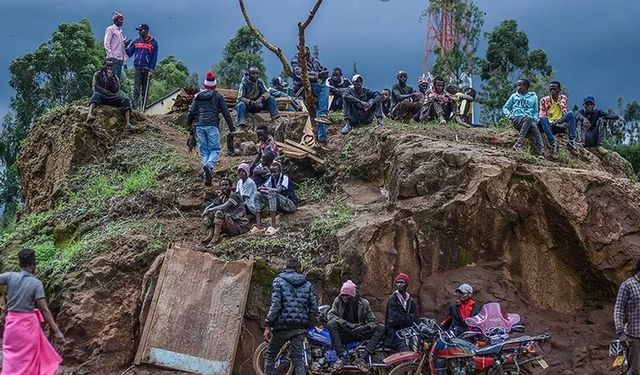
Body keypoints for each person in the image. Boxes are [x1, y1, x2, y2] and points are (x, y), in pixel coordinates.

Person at [0, 248, 64, 374]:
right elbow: (44, 310)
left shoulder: (9, 277)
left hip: (12, 328)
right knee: (30, 364)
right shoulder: (36, 284)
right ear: (34, 264)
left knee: (11, 362)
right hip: (28, 329)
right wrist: (57, 332)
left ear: (20, 264)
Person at [263, 257, 318, 375]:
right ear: (299, 268)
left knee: (270, 355)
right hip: (299, 328)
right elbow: (314, 308)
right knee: (298, 359)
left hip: (282, 327)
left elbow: (276, 305)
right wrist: (309, 324)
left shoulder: (278, 281)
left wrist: (268, 324)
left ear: (286, 267)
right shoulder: (307, 284)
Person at [186, 71, 235, 186]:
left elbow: (191, 112)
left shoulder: (197, 97)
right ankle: (208, 166)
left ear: (204, 85)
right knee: (215, 149)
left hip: (199, 126)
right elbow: (226, 113)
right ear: (215, 85)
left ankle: (206, 173)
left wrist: (189, 126)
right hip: (212, 125)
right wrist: (231, 127)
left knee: (204, 151)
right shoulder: (218, 97)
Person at [326, 280, 386, 369]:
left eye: (347, 296)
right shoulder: (338, 301)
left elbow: (373, 321)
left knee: (381, 328)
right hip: (345, 331)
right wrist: (348, 324)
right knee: (331, 324)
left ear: (353, 296)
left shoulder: (364, 303)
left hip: (360, 331)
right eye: (343, 295)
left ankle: (363, 357)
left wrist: (365, 327)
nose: (344, 298)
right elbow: (331, 315)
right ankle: (342, 356)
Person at [291, 46, 331, 143]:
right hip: (301, 87)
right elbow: (301, 74)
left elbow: (321, 72)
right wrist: (318, 75)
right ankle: (322, 113)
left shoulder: (315, 61)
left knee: (320, 110)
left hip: (314, 87)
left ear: (308, 54)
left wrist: (324, 74)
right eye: (300, 55)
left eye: (304, 55)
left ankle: (322, 138)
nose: (301, 57)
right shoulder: (295, 61)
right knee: (324, 90)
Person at [502, 78, 545, 158]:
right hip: (517, 119)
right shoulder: (514, 96)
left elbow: (535, 111)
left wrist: (535, 118)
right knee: (528, 119)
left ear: (525, 87)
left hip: (529, 121)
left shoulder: (533, 97)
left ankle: (541, 151)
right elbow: (505, 108)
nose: (517, 87)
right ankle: (519, 144)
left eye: (519, 85)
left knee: (533, 125)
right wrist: (510, 116)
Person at [86, 58, 134, 129]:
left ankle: (128, 123)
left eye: (111, 66)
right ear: (104, 65)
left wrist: (112, 79)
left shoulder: (115, 77)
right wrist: (105, 92)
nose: (109, 67)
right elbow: (95, 87)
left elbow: (116, 90)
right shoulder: (97, 74)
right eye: (107, 65)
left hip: (112, 97)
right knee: (96, 94)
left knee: (125, 99)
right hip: (102, 96)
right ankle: (89, 115)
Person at [201, 178, 250, 246]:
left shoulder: (235, 196)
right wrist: (206, 211)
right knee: (212, 213)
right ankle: (211, 234)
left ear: (230, 186)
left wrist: (209, 210)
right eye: (222, 185)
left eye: (226, 185)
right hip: (230, 223)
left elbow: (225, 206)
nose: (224, 187)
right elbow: (212, 205)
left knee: (218, 213)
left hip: (239, 225)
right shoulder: (223, 196)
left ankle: (215, 238)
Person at [253, 161, 298, 235]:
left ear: (280, 171)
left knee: (272, 194)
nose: (273, 174)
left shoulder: (284, 177)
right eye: (271, 172)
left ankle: (273, 225)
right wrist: (266, 190)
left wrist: (266, 190)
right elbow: (260, 188)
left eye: (275, 172)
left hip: (290, 204)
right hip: (280, 205)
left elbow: (278, 190)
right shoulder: (271, 178)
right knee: (257, 195)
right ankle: (259, 225)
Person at [614, 258, 640, 375]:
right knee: (635, 371)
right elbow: (618, 310)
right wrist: (621, 333)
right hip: (634, 337)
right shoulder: (628, 285)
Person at [538, 81, 578, 154]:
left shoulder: (563, 98)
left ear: (559, 90)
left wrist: (563, 123)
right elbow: (542, 114)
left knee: (571, 114)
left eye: (554, 89)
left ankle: (571, 140)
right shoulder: (544, 100)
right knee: (542, 119)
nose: (552, 91)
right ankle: (553, 143)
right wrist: (552, 123)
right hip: (548, 124)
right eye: (551, 89)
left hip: (558, 122)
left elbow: (564, 111)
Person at [125, 24, 158, 110]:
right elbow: (129, 53)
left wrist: (152, 69)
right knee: (136, 89)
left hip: (147, 69)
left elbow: (154, 58)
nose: (139, 32)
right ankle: (135, 108)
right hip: (137, 68)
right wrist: (124, 46)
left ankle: (144, 109)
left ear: (145, 31)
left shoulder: (154, 43)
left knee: (145, 91)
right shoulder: (136, 42)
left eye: (140, 30)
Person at [384, 273, 419, 352]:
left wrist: (408, 319)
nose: (399, 284)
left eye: (402, 282)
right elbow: (394, 319)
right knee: (406, 352)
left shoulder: (410, 300)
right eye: (397, 282)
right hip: (395, 333)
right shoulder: (393, 299)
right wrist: (409, 317)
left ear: (406, 284)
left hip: (408, 331)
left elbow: (416, 318)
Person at [103, 11, 130, 80]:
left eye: (122, 20)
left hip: (120, 59)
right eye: (120, 19)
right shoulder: (110, 29)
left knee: (117, 80)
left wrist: (125, 44)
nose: (122, 21)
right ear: (115, 20)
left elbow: (121, 45)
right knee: (111, 79)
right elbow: (106, 42)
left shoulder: (120, 32)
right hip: (113, 58)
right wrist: (110, 56)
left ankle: (116, 91)